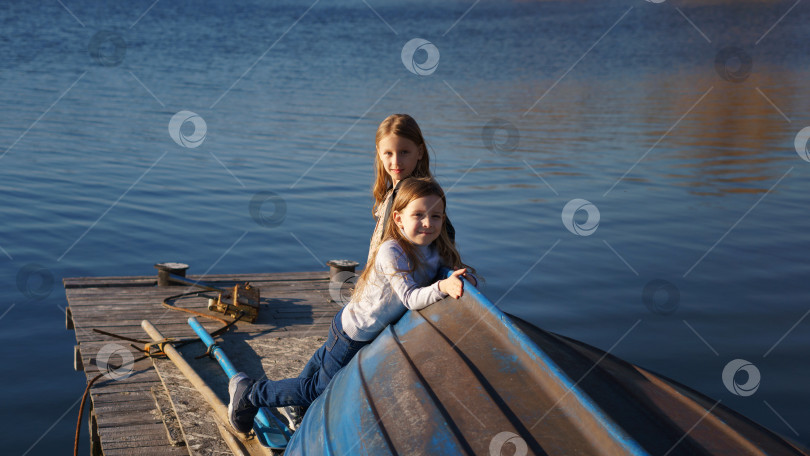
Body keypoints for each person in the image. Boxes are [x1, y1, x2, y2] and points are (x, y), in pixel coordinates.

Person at [228, 177, 476, 435]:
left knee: (319, 368)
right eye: (419, 215)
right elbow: (411, 297)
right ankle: (250, 393)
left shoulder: (432, 250)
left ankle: (297, 408)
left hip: (352, 325)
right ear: (399, 218)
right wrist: (442, 288)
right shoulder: (392, 251)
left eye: (436, 216)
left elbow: (441, 273)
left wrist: (459, 278)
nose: (428, 223)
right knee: (317, 388)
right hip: (353, 334)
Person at [367, 114, 455, 265]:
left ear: (419, 152)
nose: (396, 162)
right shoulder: (391, 192)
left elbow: (446, 235)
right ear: (379, 153)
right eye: (388, 153)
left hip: (403, 282)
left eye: (404, 152)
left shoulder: (420, 196)